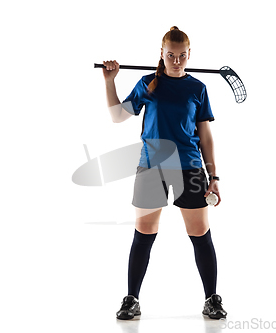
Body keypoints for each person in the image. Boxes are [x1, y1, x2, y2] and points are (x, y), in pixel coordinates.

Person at [102, 26, 227, 320]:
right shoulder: (148, 84)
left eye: (182, 56)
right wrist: (110, 82)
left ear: (189, 55)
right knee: (144, 233)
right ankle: (132, 299)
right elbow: (117, 116)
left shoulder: (197, 88)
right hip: (151, 167)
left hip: (190, 167)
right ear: (162, 53)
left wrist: (214, 177)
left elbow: (205, 136)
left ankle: (212, 299)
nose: (176, 61)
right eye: (171, 55)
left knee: (199, 233)